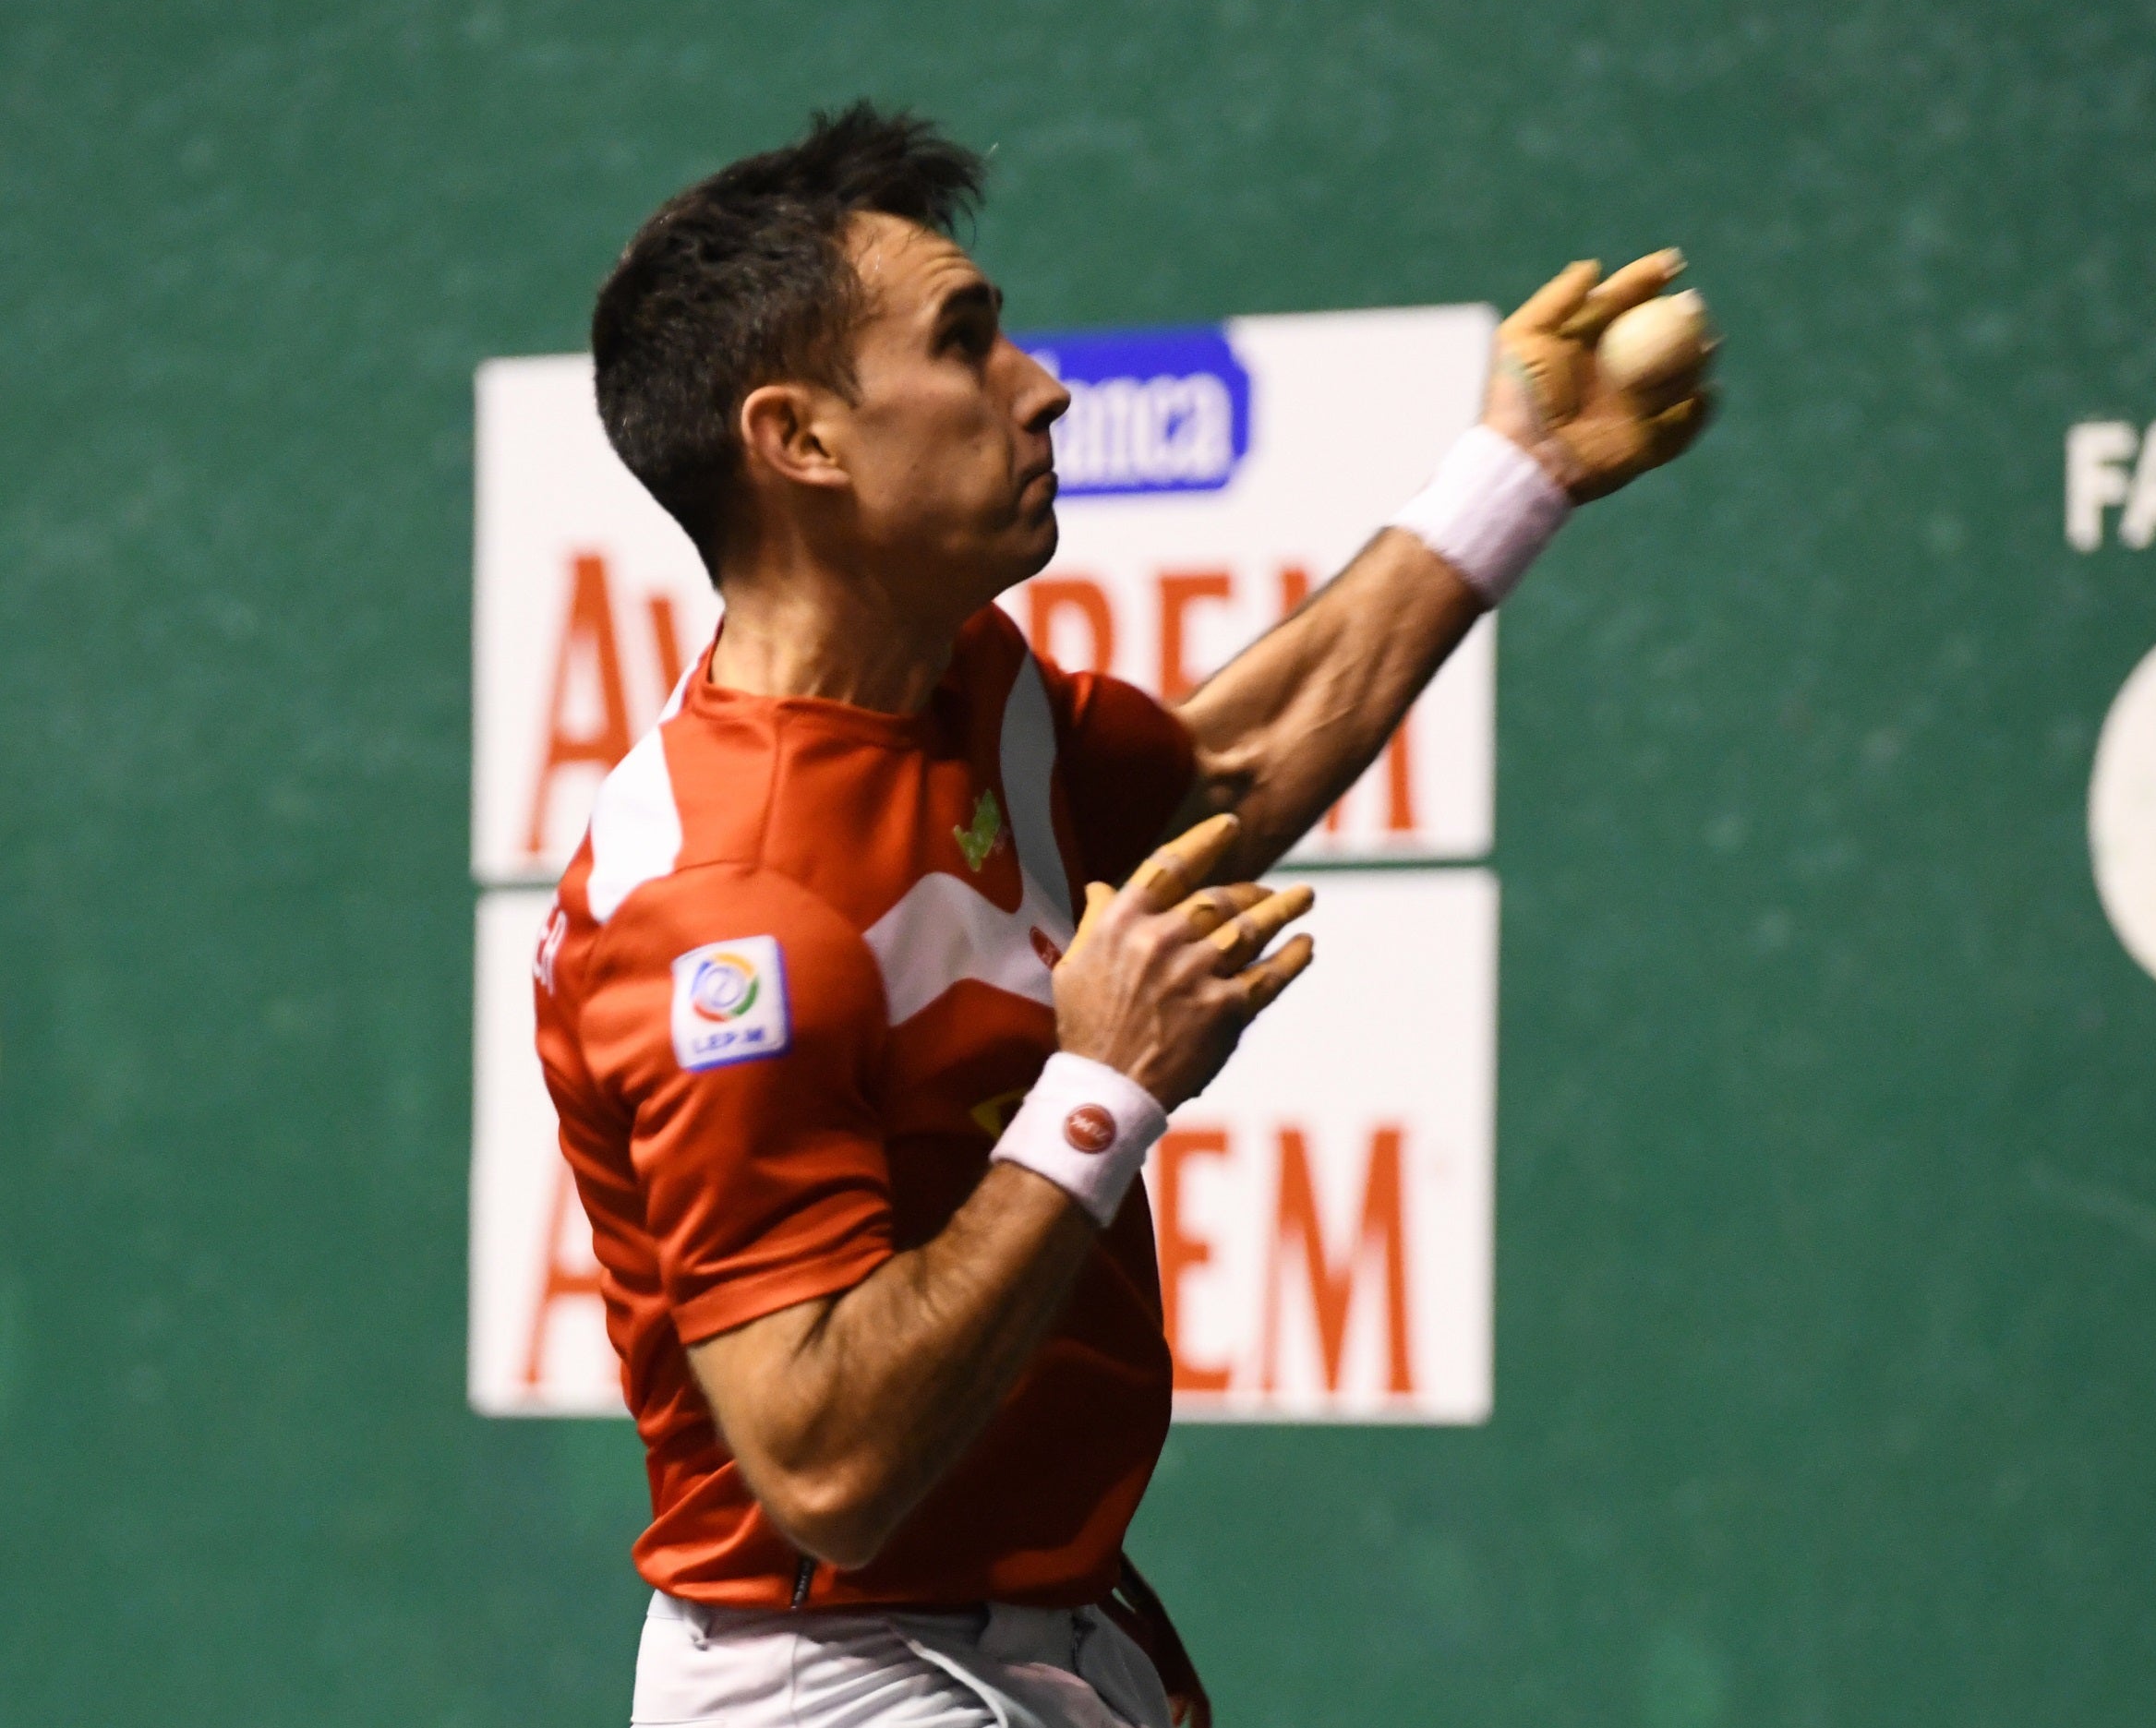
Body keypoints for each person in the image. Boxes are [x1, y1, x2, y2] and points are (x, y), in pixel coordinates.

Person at [535, 102, 1708, 1728]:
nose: (1041, 386)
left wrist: (1516, 472)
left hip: (1055, 1628)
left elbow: (1215, 777)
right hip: (839, 1681)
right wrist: (1101, 1091)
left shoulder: (965, 691)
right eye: (965, 344)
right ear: (798, 439)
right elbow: (822, 1461)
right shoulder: (724, 914)